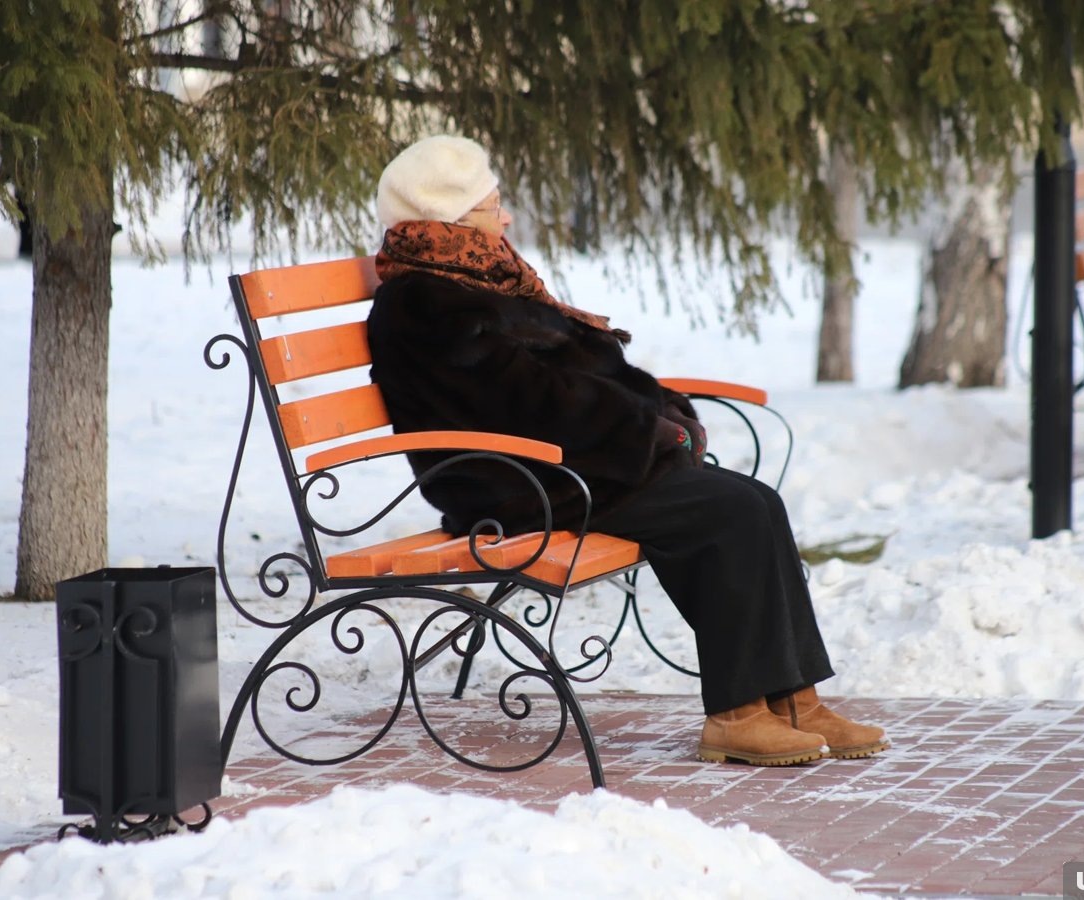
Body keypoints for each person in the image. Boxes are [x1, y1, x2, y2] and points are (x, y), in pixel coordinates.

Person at [366, 134, 890, 766]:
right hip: (513, 483)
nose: (505, 218)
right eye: (491, 206)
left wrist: (654, 412)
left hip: (562, 462)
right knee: (729, 512)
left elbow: (565, 380)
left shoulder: (474, 278)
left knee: (754, 501)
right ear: (448, 217)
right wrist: (644, 428)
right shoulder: (426, 301)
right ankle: (735, 715)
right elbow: (525, 403)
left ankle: (792, 702)